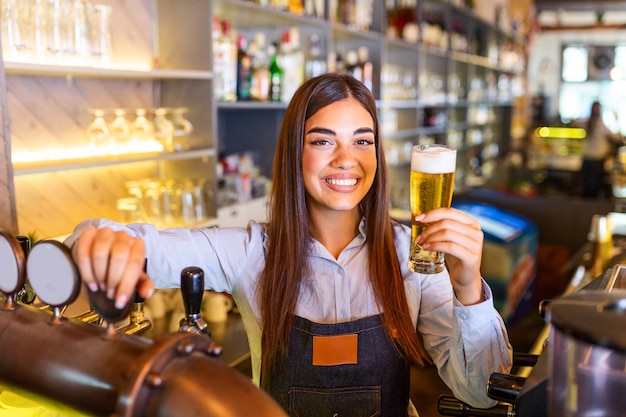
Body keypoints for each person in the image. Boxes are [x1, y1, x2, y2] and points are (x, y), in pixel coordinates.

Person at [66, 73, 512, 416]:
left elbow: (481, 392)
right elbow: (136, 245)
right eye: (322, 141)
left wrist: (469, 284)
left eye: (363, 141)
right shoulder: (251, 251)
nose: (346, 160)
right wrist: (101, 243)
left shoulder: (409, 254)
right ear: (294, 153)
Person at [580, 101, 622, 198]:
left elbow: (614, 137)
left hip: (594, 160)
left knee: (591, 188)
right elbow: (615, 137)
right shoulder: (591, 123)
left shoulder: (597, 124)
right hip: (592, 159)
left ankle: (588, 209)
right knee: (589, 188)